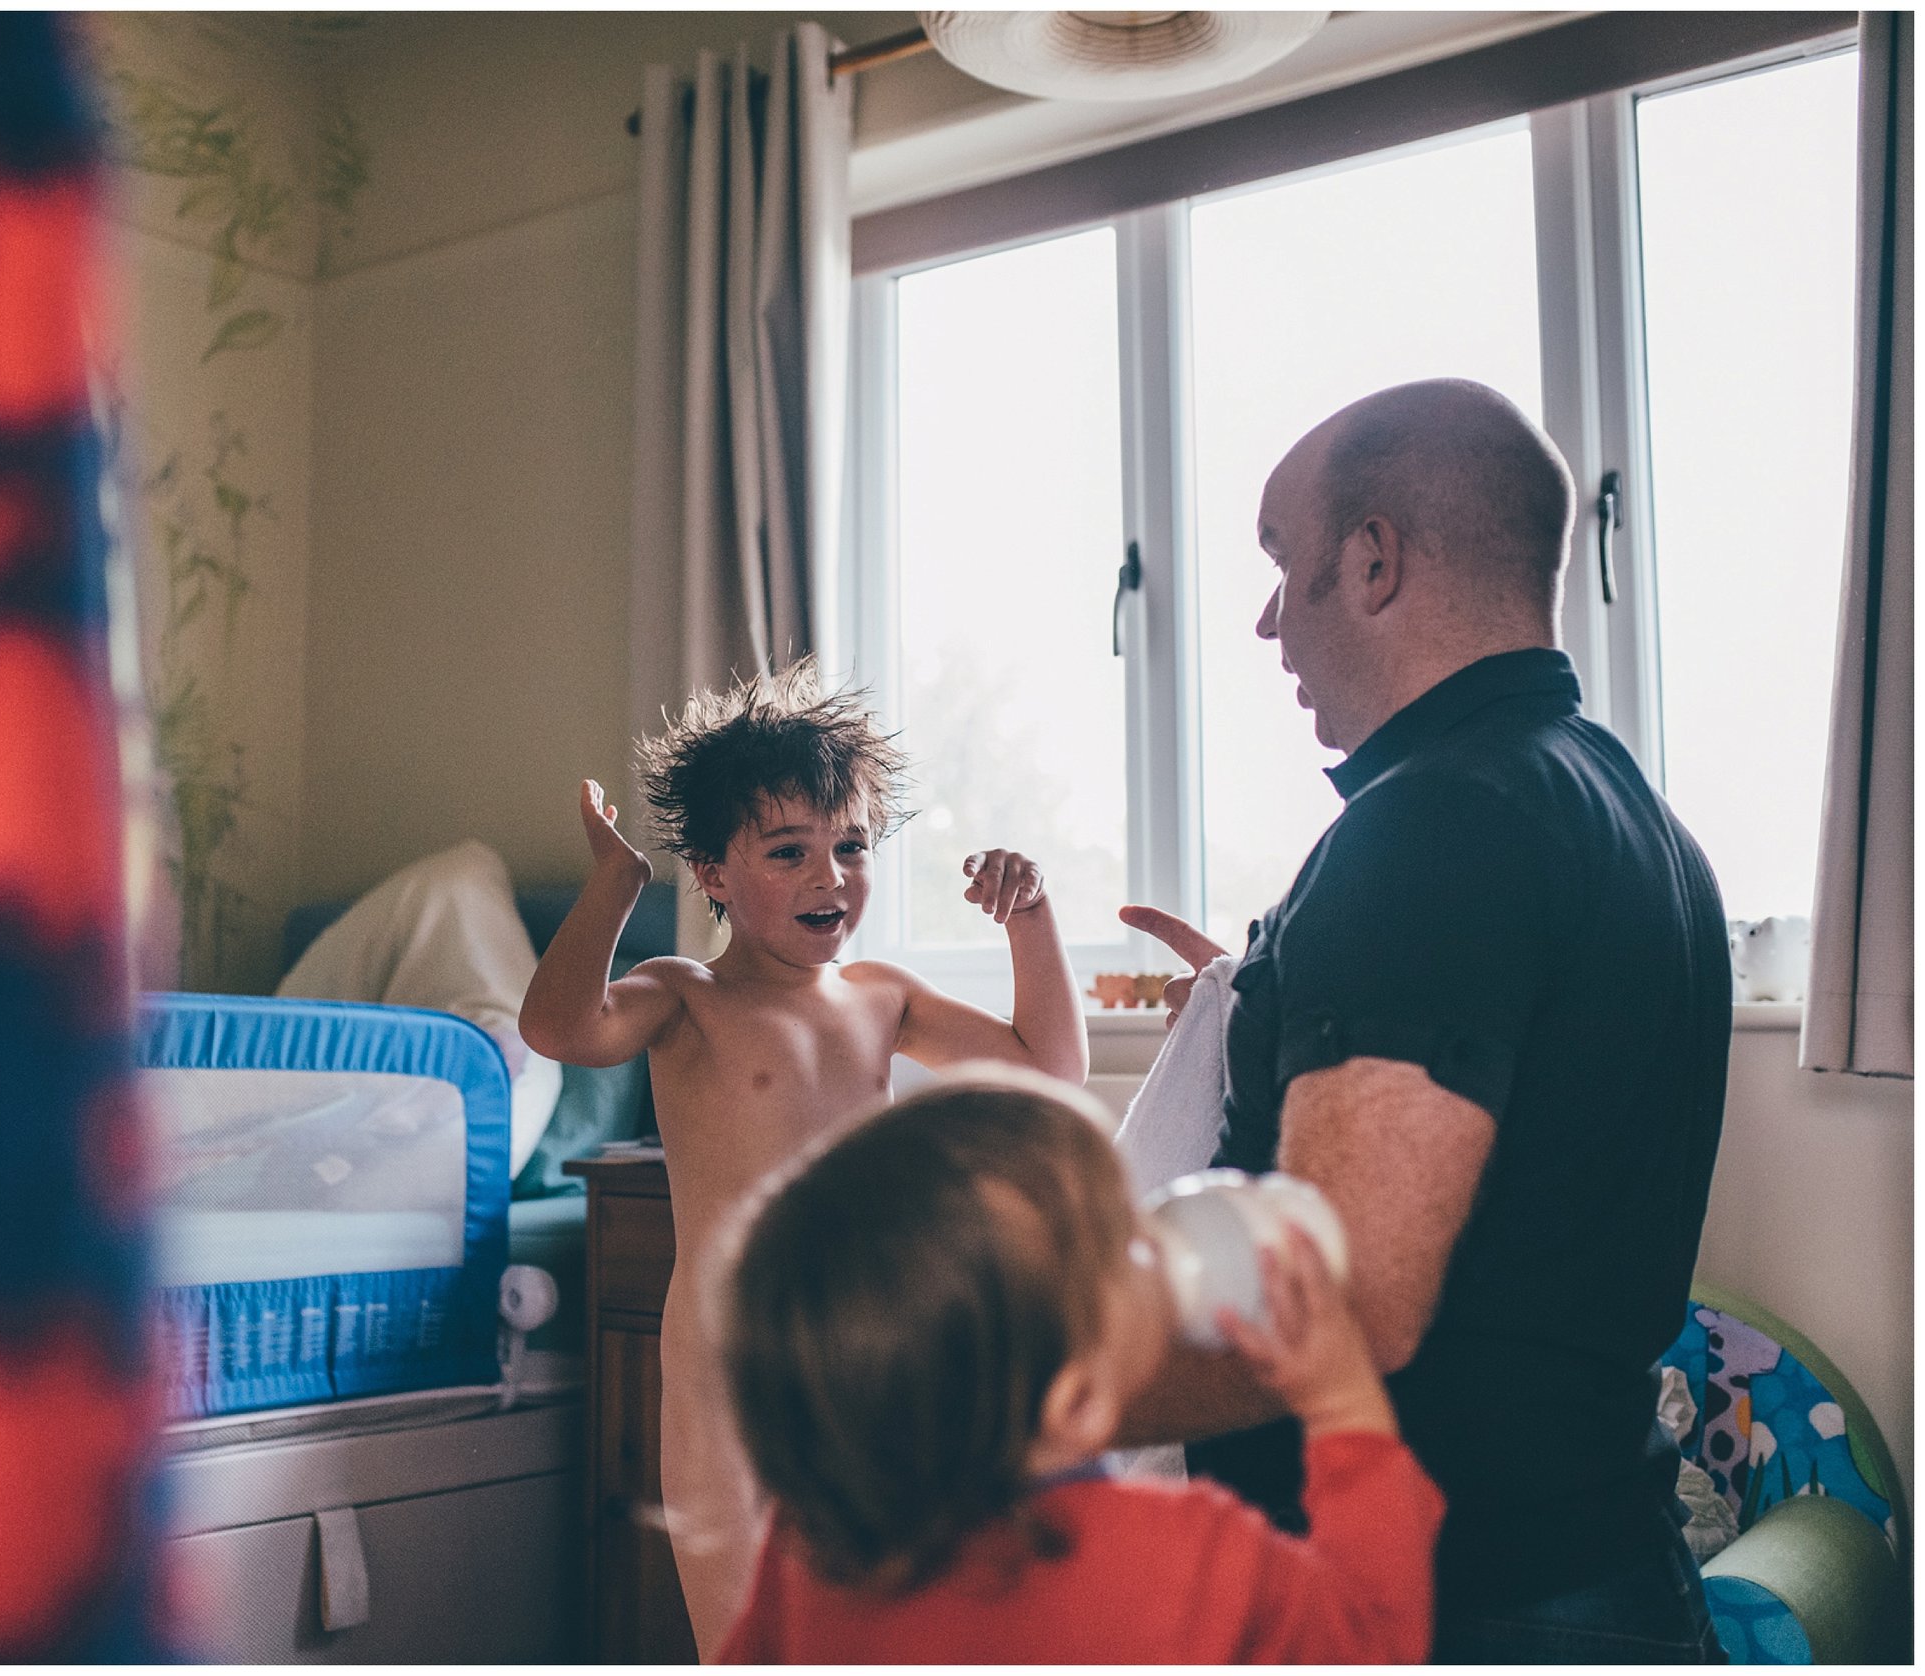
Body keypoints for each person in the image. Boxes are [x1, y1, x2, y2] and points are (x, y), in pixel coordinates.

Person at [1117, 378, 1732, 1662]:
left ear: (1376, 557)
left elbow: (1348, 1298)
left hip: (1462, 1607)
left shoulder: (1430, 823)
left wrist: (1014, 1387)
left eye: (1284, 564)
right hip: (1597, 1565)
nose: (1267, 619)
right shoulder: (1632, 819)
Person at [519, 661, 1089, 1653]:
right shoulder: (686, 994)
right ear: (711, 873)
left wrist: (1031, 920)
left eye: (851, 846)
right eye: (789, 851)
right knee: (749, 1638)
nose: (832, 876)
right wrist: (615, 884)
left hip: (869, 1354)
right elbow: (561, 1026)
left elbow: (1048, 1067)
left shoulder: (880, 995)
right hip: (726, 1370)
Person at [716, 1070, 1444, 1664]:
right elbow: (1373, 1639)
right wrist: (1343, 1407)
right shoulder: (1192, 1557)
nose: (1154, 1235)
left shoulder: (812, 1542)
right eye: (1124, 1238)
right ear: (1077, 1404)